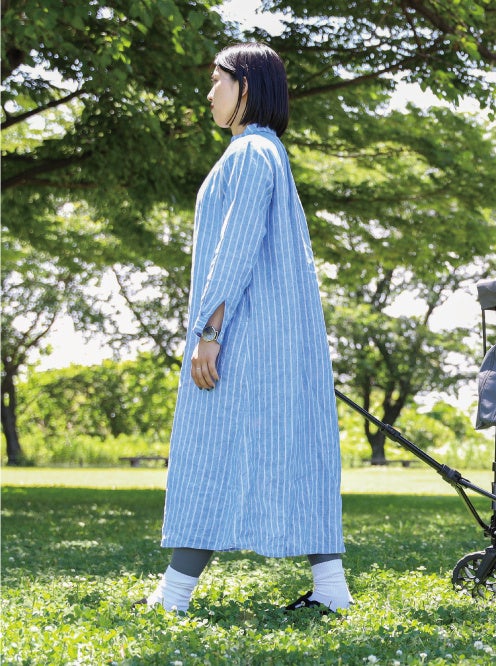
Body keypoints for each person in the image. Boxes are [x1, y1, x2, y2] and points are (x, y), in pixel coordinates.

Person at [138, 42, 351, 614]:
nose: (210, 93)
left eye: (218, 81)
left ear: (247, 89)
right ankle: (331, 594)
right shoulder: (265, 152)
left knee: (211, 449)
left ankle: (173, 595)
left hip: (243, 337)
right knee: (298, 453)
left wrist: (210, 331)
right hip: (276, 341)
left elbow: (236, 245)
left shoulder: (251, 151)